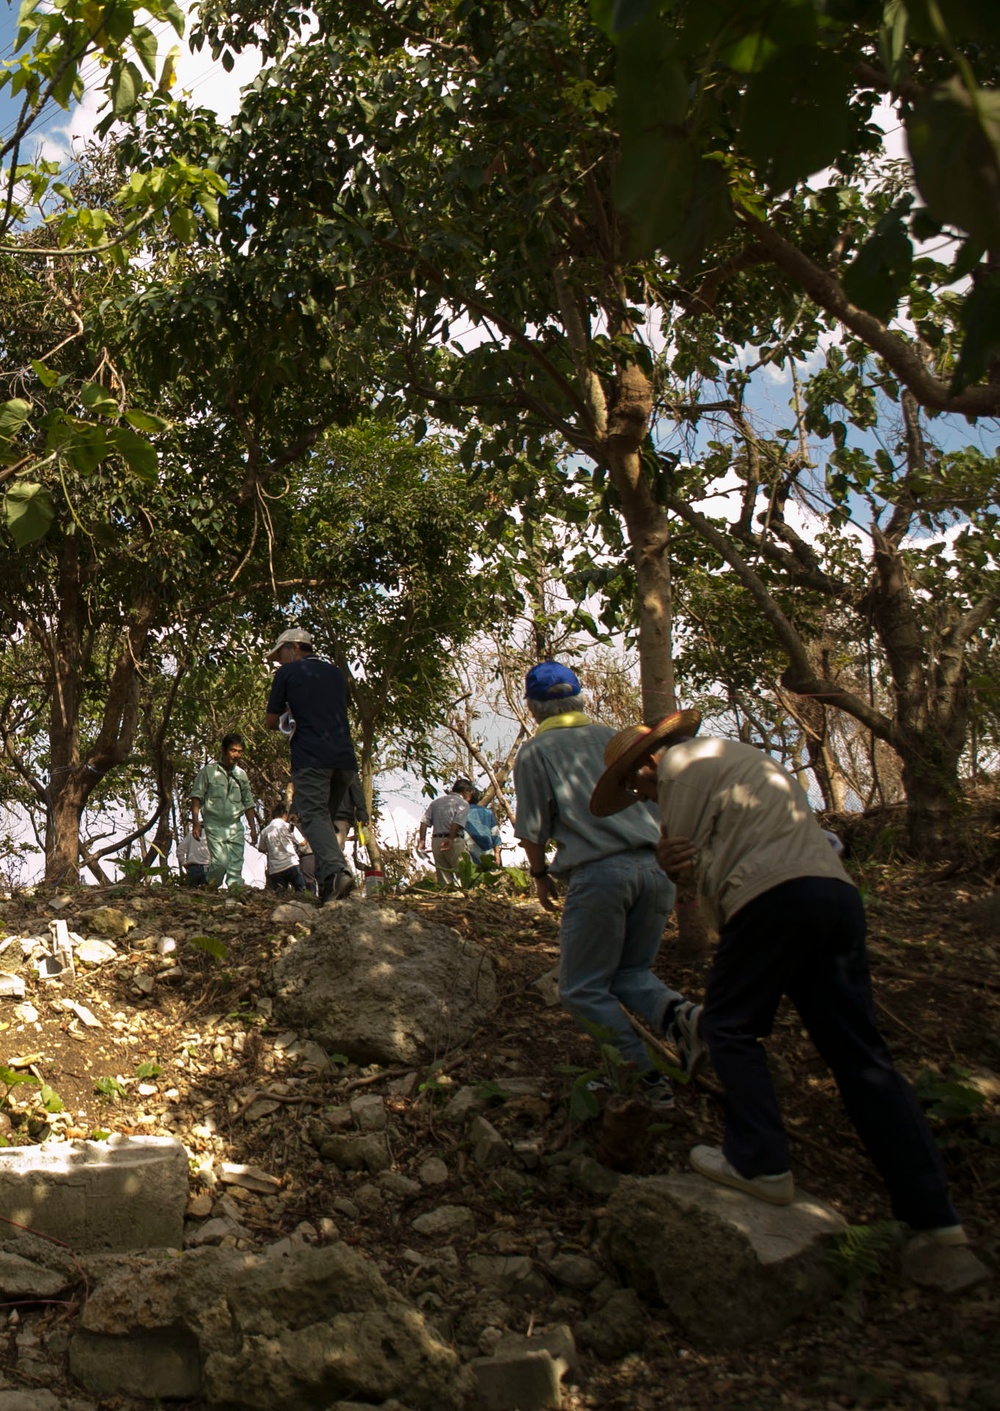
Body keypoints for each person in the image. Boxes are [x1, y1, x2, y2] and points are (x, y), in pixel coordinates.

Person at [590, 709, 976, 1261]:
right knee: (860, 1054)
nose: (642, 796)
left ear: (648, 761)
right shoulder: (745, 764)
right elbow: (732, 851)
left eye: (636, 784)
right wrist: (685, 867)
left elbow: (692, 866)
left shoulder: (679, 766)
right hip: (833, 897)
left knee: (726, 1026)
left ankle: (761, 1161)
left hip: (772, 900)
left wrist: (674, 865)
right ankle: (932, 1212)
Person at [512, 661, 698, 1112]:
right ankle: (687, 1020)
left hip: (600, 875)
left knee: (580, 989)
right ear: (582, 697)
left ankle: (642, 1082)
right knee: (630, 974)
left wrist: (540, 880)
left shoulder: (536, 752)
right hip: (656, 870)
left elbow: (532, 829)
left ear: (533, 709)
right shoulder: (618, 737)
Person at [264, 627, 359, 904]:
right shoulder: (336, 673)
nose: (279, 661)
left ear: (294, 647)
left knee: (312, 816)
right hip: (344, 760)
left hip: (311, 758)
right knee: (323, 823)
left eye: (280, 654)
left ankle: (340, 873)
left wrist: (288, 717)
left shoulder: (287, 673)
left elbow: (271, 721)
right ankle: (331, 888)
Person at [189, 733, 257, 891]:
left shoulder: (241, 775)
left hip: (235, 826)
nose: (236, 755)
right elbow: (196, 797)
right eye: (233, 750)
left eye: (239, 751)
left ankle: (236, 895)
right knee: (220, 863)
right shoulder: (208, 772)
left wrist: (253, 829)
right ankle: (210, 888)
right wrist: (196, 823)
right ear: (224, 750)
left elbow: (248, 803)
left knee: (235, 866)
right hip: (214, 825)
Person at [418, 778, 474, 884]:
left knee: (444, 879)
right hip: (454, 841)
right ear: (465, 791)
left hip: (436, 841)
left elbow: (424, 822)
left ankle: (447, 898)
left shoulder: (436, 802)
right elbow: (456, 822)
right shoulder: (462, 803)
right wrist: (450, 839)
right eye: (470, 792)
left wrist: (422, 840)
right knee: (464, 874)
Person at [257, 804, 307, 893]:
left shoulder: (265, 831)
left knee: (280, 895)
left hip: (275, 869)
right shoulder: (289, 827)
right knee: (301, 891)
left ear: (273, 815)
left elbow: (261, 848)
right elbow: (303, 843)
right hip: (291, 864)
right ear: (285, 815)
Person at [334, 773, 370, 873]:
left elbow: (356, 791)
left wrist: (362, 816)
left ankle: (342, 882)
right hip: (320, 818)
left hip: (340, 816)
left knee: (334, 854)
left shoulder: (345, 765)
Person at [465, 789, 502, 864]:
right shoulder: (488, 812)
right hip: (487, 852)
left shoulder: (461, 813)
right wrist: (497, 854)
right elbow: (495, 835)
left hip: (468, 852)